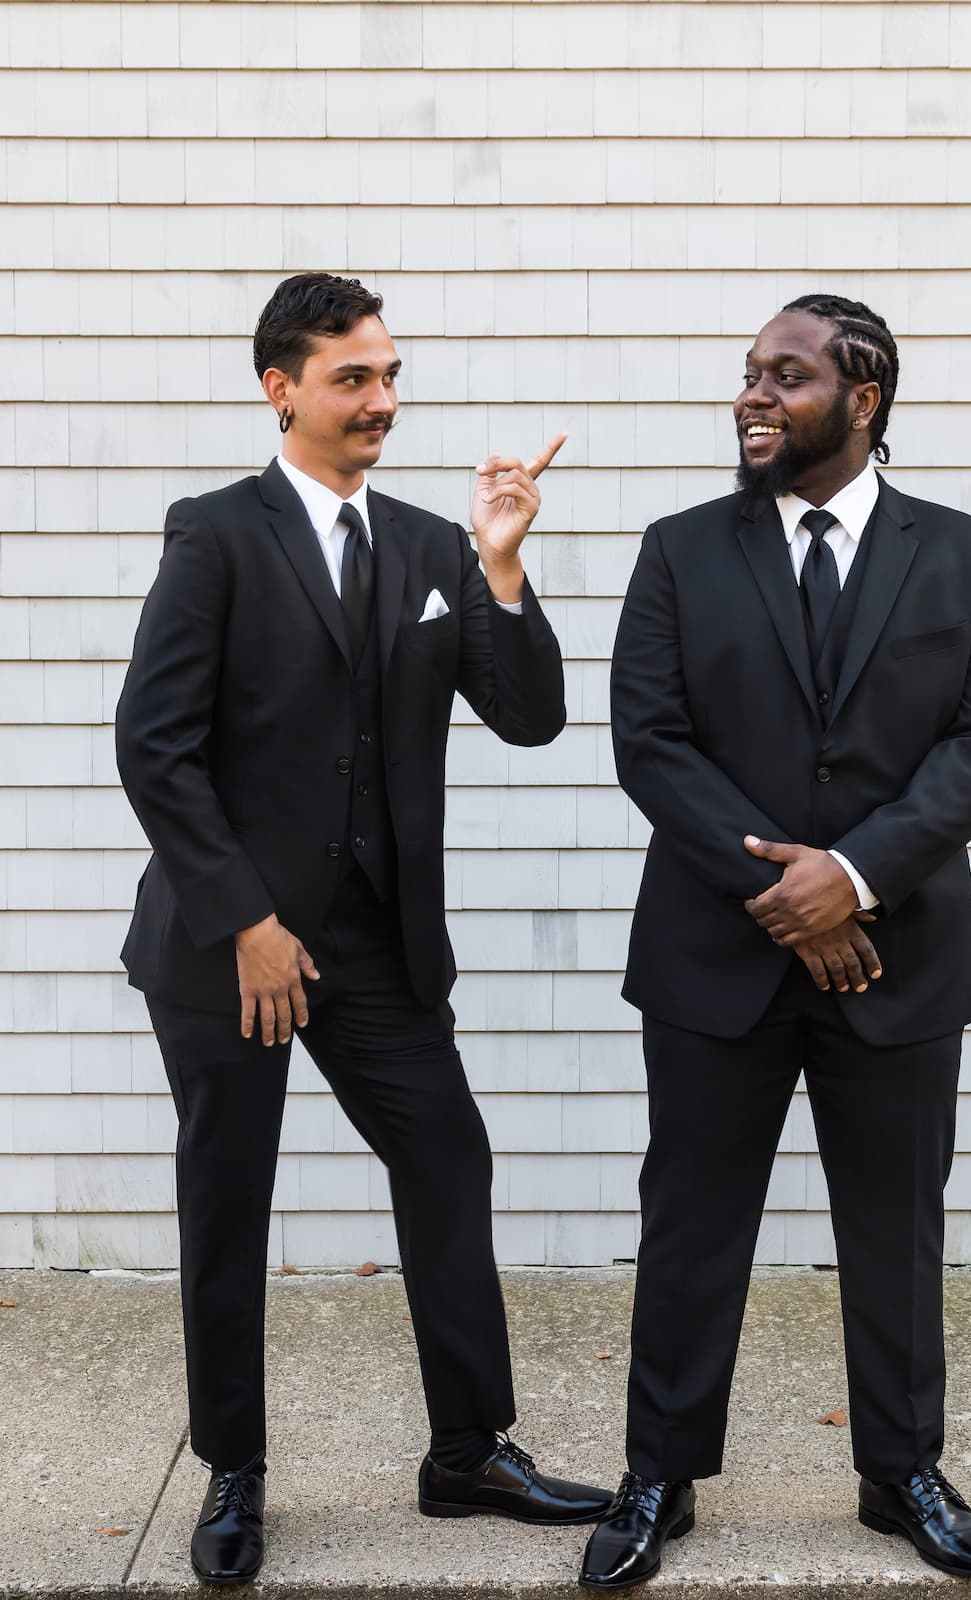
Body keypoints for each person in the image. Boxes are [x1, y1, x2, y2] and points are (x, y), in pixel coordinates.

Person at [116, 272, 611, 1586]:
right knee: (229, 1200)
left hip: (377, 946)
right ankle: (233, 1469)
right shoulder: (215, 535)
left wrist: (501, 562)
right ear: (280, 389)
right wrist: (246, 920)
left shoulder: (436, 548)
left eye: (390, 375)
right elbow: (154, 748)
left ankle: (468, 1452)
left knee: (446, 1158)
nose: (382, 399)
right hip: (229, 947)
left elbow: (531, 719)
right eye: (354, 378)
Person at [580, 295, 971, 1591]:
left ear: (863, 400)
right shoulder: (680, 550)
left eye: (786, 376)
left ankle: (902, 1473)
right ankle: (660, 1472)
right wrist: (788, 894)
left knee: (896, 1230)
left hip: (901, 955)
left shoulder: (967, 555)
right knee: (691, 1223)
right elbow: (650, 740)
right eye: (749, 374)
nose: (753, 396)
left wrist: (857, 878)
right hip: (716, 955)